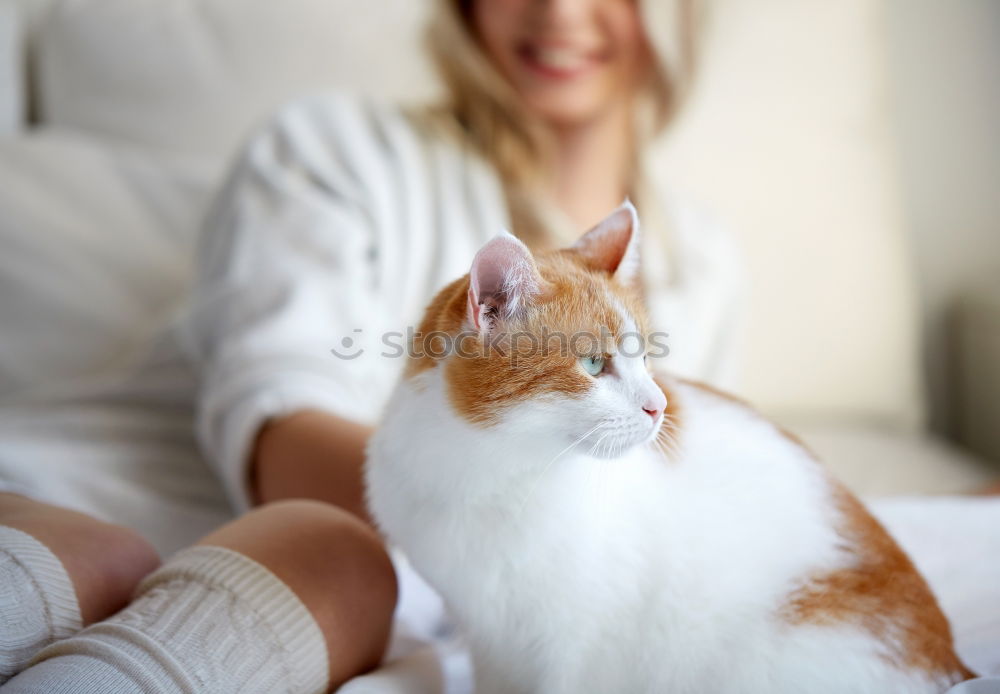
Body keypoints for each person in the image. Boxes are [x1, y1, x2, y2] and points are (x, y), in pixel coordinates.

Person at [0, 0, 742, 692]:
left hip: (335, 602)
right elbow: (278, 427)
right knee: (335, 555)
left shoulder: (701, 262)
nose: (560, 12)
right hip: (92, 505)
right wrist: (498, 546)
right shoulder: (329, 148)